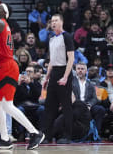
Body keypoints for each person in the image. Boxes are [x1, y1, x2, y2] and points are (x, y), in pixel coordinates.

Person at [0, 3, 45, 150]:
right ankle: (5, 139)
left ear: (4, 14)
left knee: (6, 105)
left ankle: (35, 132)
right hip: (1, 65)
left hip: (7, 66)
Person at [42, 14, 75, 144]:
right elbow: (51, 60)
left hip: (64, 71)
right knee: (49, 106)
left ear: (61, 22)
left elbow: (71, 58)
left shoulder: (66, 36)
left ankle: (67, 136)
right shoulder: (51, 38)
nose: (53, 23)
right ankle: (47, 136)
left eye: (56, 20)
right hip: (54, 72)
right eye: (52, 21)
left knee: (66, 106)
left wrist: (66, 77)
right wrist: (46, 77)